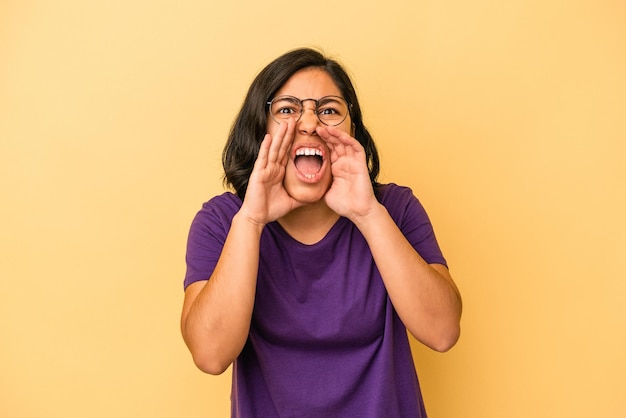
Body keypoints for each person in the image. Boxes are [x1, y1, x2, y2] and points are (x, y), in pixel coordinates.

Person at [180, 47, 462, 417]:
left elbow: (442, 332)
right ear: (260, 128)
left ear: (352, 132)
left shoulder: (394, 209)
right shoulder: (224, 220)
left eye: (328, 109)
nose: (310, 123)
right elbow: (211, 354)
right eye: (287, 109)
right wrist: (251, 220)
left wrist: (367, 214)